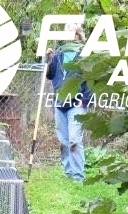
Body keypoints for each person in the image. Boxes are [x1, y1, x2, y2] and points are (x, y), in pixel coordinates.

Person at [46, 24, 92, 182]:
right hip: (60, 103)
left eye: (72, 33)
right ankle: (68, 173)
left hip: (77, 103)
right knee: (64, 141)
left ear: (79, 36)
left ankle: (78, 176)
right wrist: (49, 60)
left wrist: (85, 100)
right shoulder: (58, 54)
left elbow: (91, 80)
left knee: (74, 139)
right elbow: (50, 76)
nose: (69, 36)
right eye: (66, 33)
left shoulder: (85, 55)